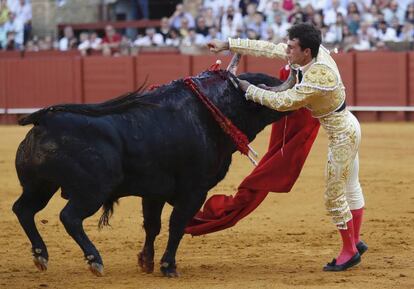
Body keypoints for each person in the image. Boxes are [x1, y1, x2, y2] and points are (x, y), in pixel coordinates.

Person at [207, 23, 367, 271]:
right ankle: (355, 241)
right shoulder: (310, 54)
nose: (287, 51)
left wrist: (249, 90)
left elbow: (282, 102)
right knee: (351, 186)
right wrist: (228, 44)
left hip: (343, 135)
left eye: (292, 47)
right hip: (347, 126)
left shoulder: (320, 76)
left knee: (334, 196)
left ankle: (350, 251)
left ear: (306, 51)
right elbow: (271, 48)